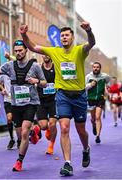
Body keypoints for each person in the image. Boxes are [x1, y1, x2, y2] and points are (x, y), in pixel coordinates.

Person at [20, 21, 95, 176]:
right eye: (62, 36)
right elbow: (34, 47)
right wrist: (23, 34)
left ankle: (86, 149)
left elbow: (92, 42)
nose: (64, 37)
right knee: (65, 128)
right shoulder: (54, 51)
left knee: (81, 131)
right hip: (62, 95)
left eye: (67, 35)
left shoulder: (80, 50)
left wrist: (88, 31)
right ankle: (67, 163)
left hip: (79, 95)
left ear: (73, 38)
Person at [0, 40, 47, 171]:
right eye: (16, 51)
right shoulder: (9, 66)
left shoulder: (35, 66)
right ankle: (34, 130)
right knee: (20, 135)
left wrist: (36, 81)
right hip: (15, 104)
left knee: (24, 132)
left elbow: (44, 83)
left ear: (26, 50)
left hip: (30, 102)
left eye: (20, 50)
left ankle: (19, 161)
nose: (18, 53)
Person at [36, 55, 57, 155]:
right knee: (44, 126)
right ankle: (47, 128)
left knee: (53, 124)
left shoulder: (56, 68)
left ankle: (51, 146)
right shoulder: (39, 69)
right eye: (44, 54)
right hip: (41, 100)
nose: (46, 56)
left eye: (48, 54)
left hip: (54, 100)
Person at [86, 62, 110, 144]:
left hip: (100, 98)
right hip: (91, 99)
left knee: (97, 117)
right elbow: (84, 87)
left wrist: (107, 89)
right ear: (92, 68)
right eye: (94, 67)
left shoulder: (105, 76)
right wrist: (90, 85)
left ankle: (98, 136)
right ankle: (93, 125)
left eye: (97, 67)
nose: (96, 68)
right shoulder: (88, 77)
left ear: (100, 68)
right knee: (93, 119)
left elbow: (108, 83)